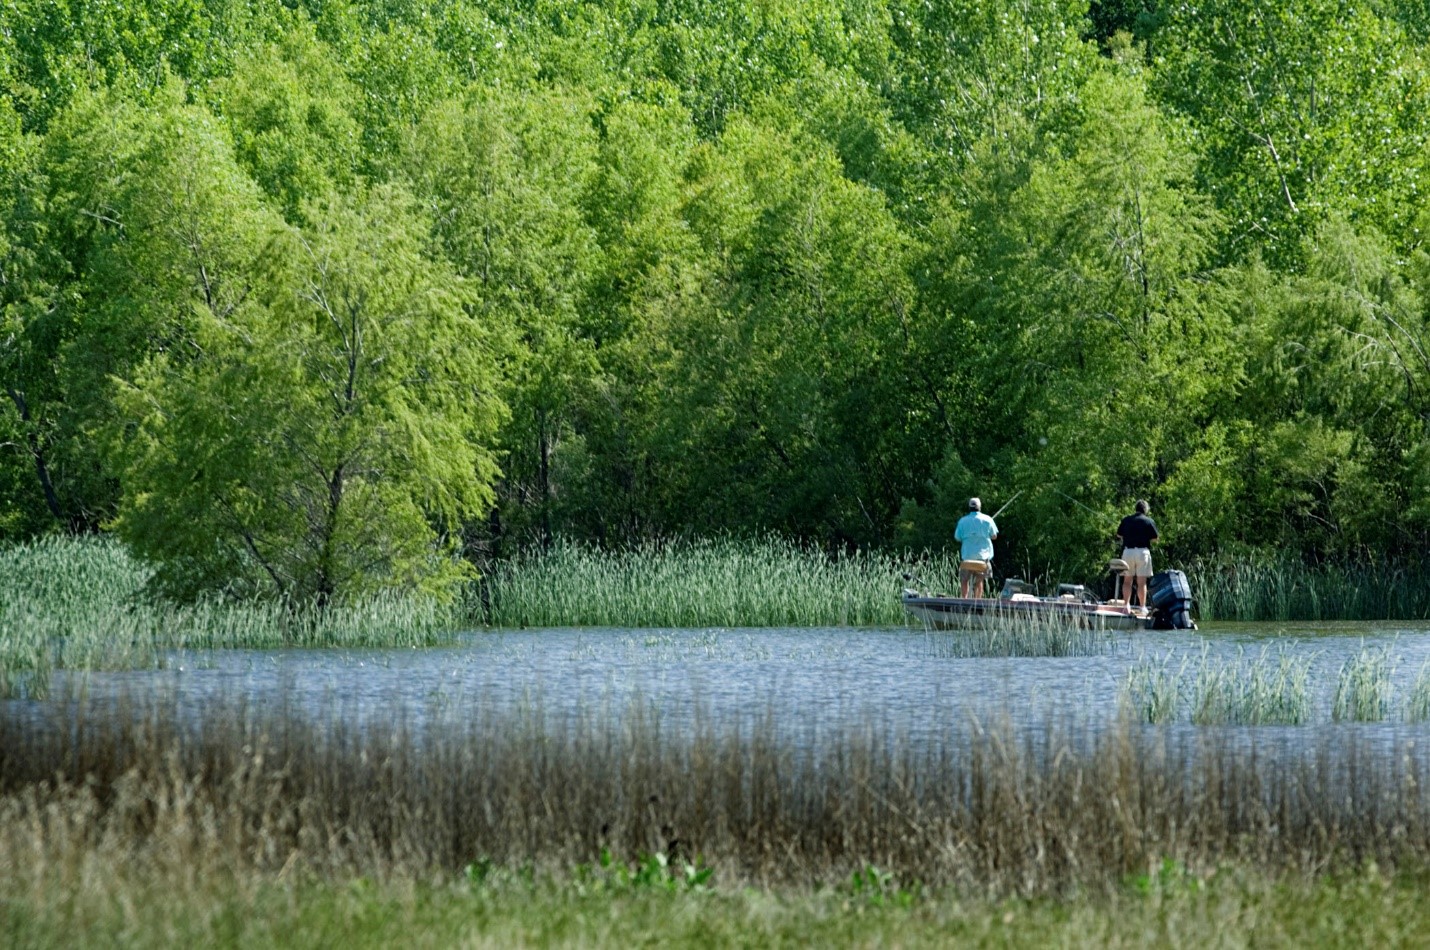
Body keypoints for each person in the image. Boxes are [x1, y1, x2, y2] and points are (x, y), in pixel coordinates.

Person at [1115, 499, 1159, 608]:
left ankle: (1126, 606)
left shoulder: (1126, 520)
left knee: (1127, 581)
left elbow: (1119, 535)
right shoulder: (1149, 521)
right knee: (1142, 582)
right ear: (1145, 509)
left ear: (1136, 508)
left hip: (1128, 552)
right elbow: (1155, 538)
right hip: (1142, 552)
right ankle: (1142, 607)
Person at [954, 497, 999, 598]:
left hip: (967, 557)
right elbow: (994, 536)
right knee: (979, 581)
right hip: (983, 559)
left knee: (964, 580)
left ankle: (964, 599)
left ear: (969, 507)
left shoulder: (962, 521)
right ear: (980, 507)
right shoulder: (988, 520)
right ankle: (977, 601)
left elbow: (957, 538)